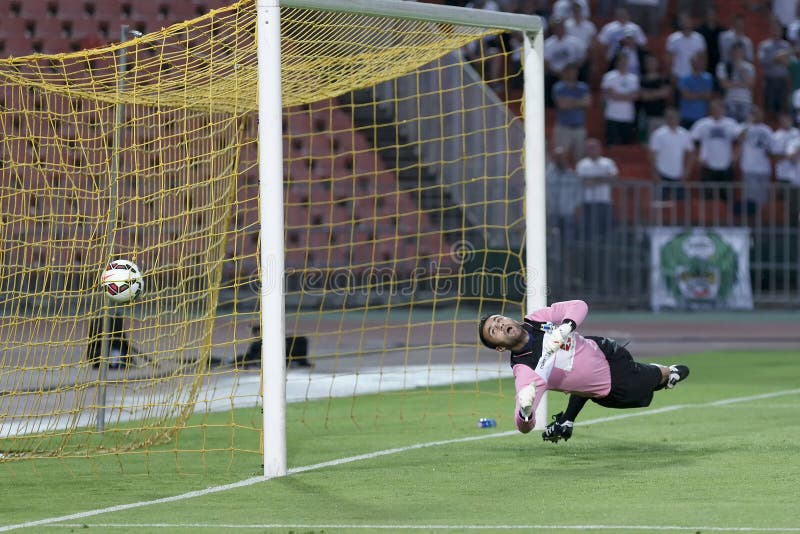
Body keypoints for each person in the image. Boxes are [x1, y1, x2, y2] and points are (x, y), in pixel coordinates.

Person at [477, 300, 690, 440]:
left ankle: (662, 373)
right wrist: (525, 411)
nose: (498, 325)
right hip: (608, 387)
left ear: (508, 318)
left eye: (498, 319)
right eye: (493, 331)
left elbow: (578, 305)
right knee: (646, 389)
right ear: (500, 347)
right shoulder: (526, 370)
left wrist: (566, 326)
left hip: (606, 350)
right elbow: (523, 427)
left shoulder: (536, 320)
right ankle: (665, 376)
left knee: (649, 377)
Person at [690, 98, 744, 201]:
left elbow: (741, 139)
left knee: (727, 198)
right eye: (714, 109)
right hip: (708, 165)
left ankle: (727, 217)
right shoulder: (702, 124)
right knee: (707, 198)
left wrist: (736, 156)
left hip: (726, 165)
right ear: (710, 110)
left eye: (719, 109)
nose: (717, 111)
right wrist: (698, 157)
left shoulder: (731, 123)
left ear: (723, 110)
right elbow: (692, 141)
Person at [648, 107, 696, 201]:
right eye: (669, 117)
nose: (672, 119)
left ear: (679, 118)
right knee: (660, 205)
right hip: (662, 174)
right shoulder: (658, 134)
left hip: (679, 175)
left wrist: (687, 172)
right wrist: (655, 173)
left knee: (681, 206)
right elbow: (652, 154)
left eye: (674, 117)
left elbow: (691, 154)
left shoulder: (685, 134)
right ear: (666, 118)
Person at [737, 106, 774, 221]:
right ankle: (750, 221)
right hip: (749, 167)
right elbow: (739, 138)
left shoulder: (767, 129)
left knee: (762, 198)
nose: (758, 115)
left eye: (759, 113)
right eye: (755, 113)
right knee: (750, 197)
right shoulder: (744, 127)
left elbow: (771, 149)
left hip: (764, 168)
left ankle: (761, 220)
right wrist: (749, 123)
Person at [552, 64, 591, 162]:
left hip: (579, 127)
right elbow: (562, 105)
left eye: (574, 72)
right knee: (560, 157)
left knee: (580, 158)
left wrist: (570, 101)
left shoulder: (583, 87)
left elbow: (587, 103)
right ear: (565, 73)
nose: (572, 74)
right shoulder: (558, 87)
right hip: (563, 127)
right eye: (569, 72)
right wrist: (579, 102)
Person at [601, 54, 640, 145]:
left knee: (626, 144)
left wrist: (618, 95)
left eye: (625, 61)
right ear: (617, 62)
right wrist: (627, 96)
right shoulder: (609, 77)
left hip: (627, 115)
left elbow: (635, 96)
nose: (623, 63)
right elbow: (609, 94)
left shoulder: (633, 78)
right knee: (612, 143)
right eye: (621, 61)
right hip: (612, 114)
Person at [716, 41, 756, 123]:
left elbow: (750, 84)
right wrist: (742, 84)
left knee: (744, 126)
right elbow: (724, 84)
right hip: (729, 100)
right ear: (731, 52)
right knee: (731, 126)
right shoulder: (723, 66)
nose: (737, 54)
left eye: (739, 52)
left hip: (745, 101)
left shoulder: (749, 67)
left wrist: (740, 68)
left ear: (743, 53)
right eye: (735, 52)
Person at [678, 53, 713, 129]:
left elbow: (708, 96)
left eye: (699, 62)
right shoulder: (684, 78)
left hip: (702, 116)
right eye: (695, 62)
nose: (697, 64)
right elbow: (686, 96)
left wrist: (693, 95)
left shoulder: (708, 78)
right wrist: (701, 95)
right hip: (686, 116)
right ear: (691, 63)